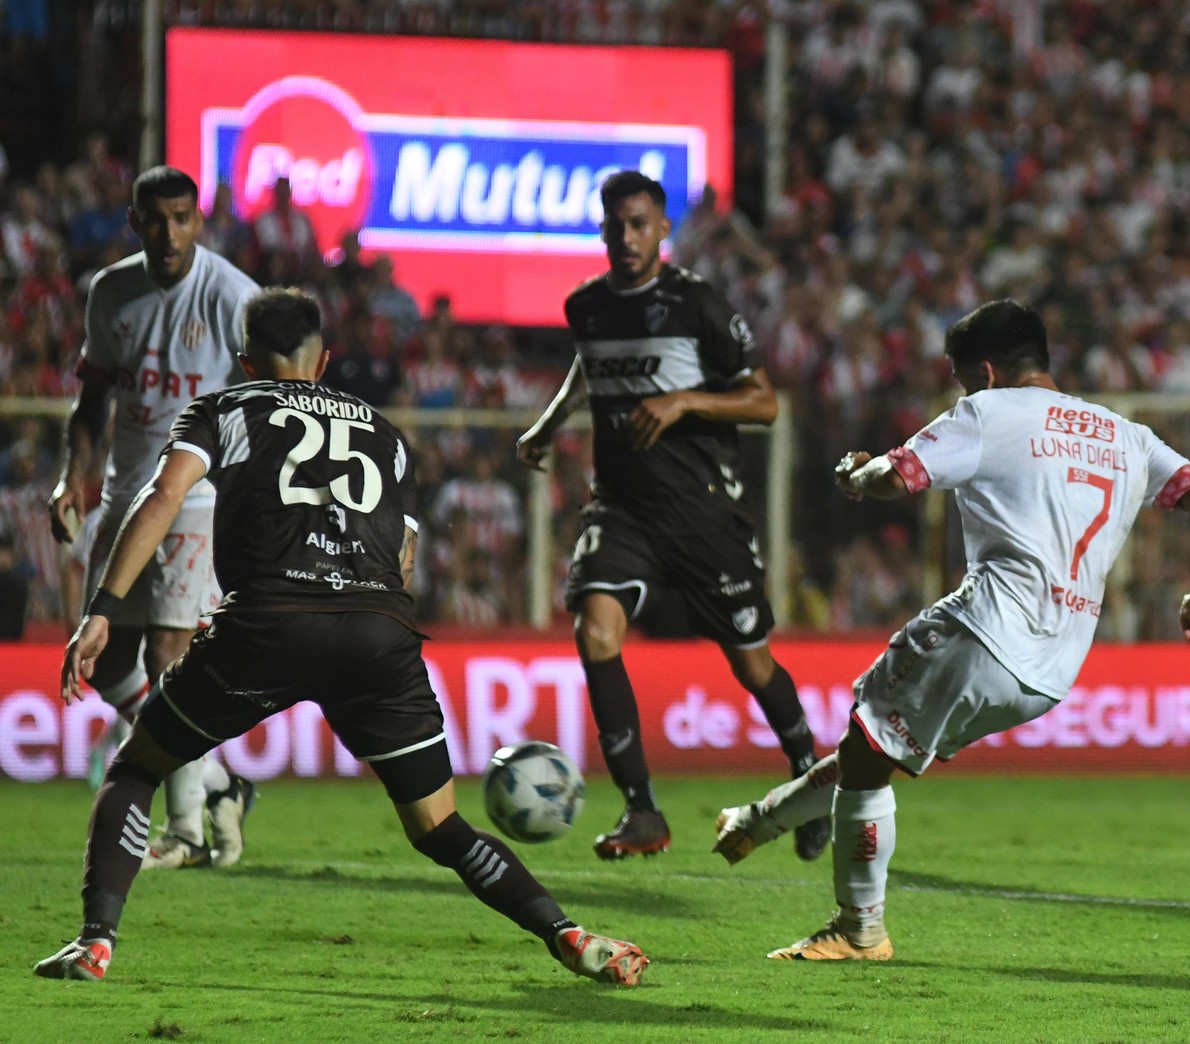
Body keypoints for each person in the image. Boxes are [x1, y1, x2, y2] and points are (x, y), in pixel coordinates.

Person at [34, 287, 648, 986]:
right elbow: (405, 558)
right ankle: (566, 933)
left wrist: (105, 606)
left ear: (244, 362)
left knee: (136, 768)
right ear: (322, 360)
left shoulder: (225, 408)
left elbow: (164, 495)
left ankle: (95, 943)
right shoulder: (385, 434)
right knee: (441, 828)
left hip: (269, 622)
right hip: (376, 631)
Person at [711, 299, 1190, 960]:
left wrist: (854, 473)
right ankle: (757, 824)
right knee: (873, 747)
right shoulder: (1124, 434)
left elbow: (895, 478)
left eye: (961, 378)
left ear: (984, 372)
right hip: (1052, 669)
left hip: (987, 628)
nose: (959, 390)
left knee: (871, 751)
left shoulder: (987, 412)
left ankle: (857, 928)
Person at [516, 170, 828, 861]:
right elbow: (587, 367)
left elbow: (763, 402)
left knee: (751, 667)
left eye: (638, 224)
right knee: (596, 630)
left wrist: (687, 402)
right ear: (601, 230)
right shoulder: (586, 306)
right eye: (614, 225)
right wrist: (547, 423)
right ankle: (642, 813)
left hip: (702, 514)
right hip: (622, 507)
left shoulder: (698, 305)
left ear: (661, 229)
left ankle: (811, 780)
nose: (625, 237)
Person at [47, 165, 260, 869]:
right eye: (156, 220)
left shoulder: (233, 295)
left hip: (197, 498)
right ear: (134, 224)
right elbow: (93, 398)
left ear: (198, 220)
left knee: (170, 655)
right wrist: (73, 476)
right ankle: (221, 781)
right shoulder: (111, 293)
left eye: (182, 218)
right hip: (125, 495)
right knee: (108, 667)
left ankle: (188, 832)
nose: (170, 233)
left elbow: (266, 402)